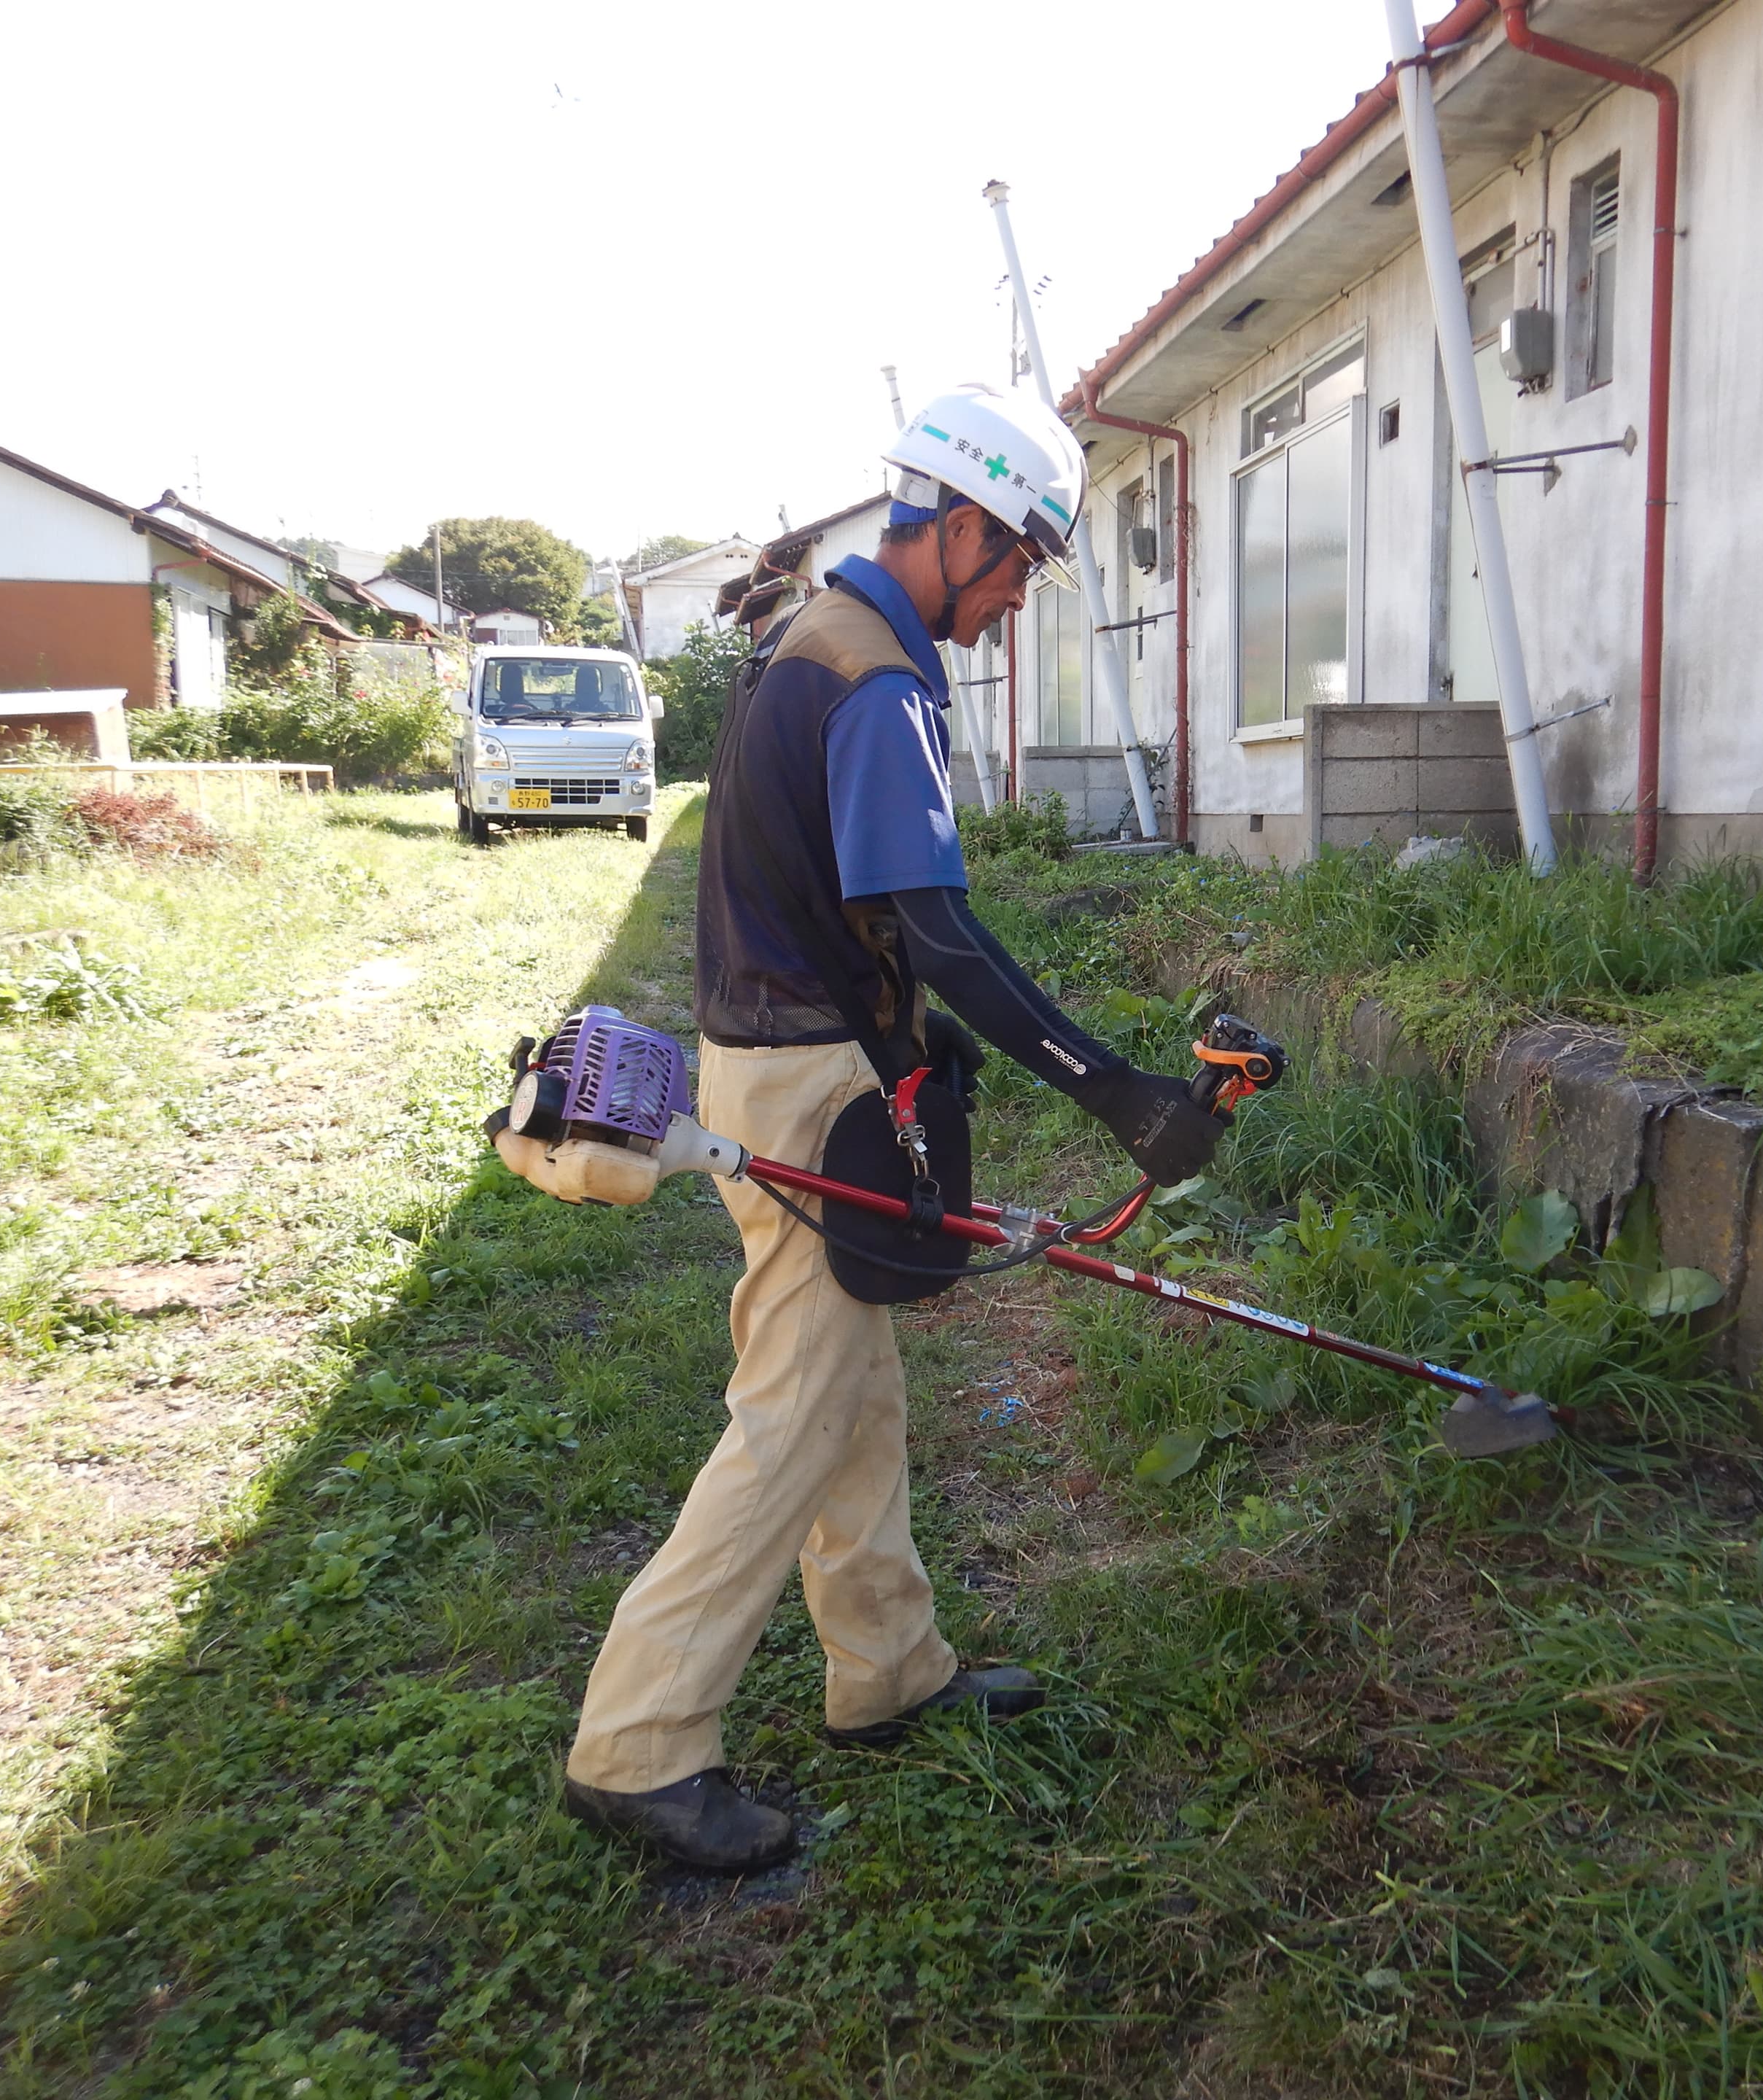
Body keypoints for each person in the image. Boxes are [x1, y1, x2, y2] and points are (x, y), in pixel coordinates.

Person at [561, 382, 1229, 1873]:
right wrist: (1116, 1091)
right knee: (794, 1410)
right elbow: (933, 929)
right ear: (965, 522)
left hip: (771, 1058)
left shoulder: (818, 643)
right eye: (1022, 565)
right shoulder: (872, 678)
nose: (1016, 601)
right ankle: (640, 1745)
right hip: (805, 1082)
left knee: (846, 1389)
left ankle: (888, 1672)